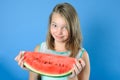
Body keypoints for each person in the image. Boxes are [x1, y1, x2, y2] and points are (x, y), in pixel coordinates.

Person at [15, 2, 90, 80]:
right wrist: (30, 67)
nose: (59, 32)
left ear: (73, 28)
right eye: (55, 25)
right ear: (49, 25)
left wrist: (73, 77)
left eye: (65, 27)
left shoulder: (82, 56)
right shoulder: (40, 49)